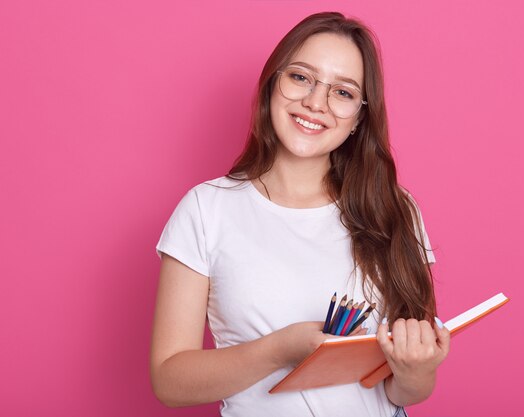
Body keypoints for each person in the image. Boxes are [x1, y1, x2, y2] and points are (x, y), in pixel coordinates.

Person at [151, 11, 450, 417]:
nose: (315, 102)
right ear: (273, 82)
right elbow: (169, 382)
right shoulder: (206, 209)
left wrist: (417, 369)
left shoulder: (395, 209)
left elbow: (403, 392)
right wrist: (280, 349)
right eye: (301, 77)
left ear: (359, 117)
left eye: (342, 92)